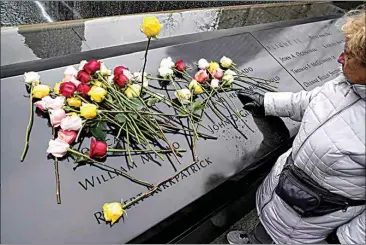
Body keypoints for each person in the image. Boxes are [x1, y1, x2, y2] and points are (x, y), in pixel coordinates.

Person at [227, 6, 366, 244]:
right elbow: (312, 101)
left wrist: (343, 240)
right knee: (267, 226)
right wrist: (267, 102)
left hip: (314, 221)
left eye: (349, 56)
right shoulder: (346, 82)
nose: (340, 59)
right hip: (283, 194)